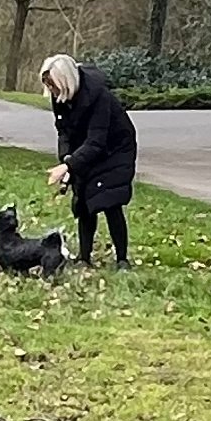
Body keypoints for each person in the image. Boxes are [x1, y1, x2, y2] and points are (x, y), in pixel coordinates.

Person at [42, 53, 138, 266]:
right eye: (49, 87)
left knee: (110, 200)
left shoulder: (98, 97)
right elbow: (63, 132)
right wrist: (66, 157)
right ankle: (84, 258)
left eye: (54, 86)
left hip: (115, 149)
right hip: (85, 148)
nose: (52, 91)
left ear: (65, 81)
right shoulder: (60, 97)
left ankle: (122, 259)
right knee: (84, 200)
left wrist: (68, 165)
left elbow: (97, 141)